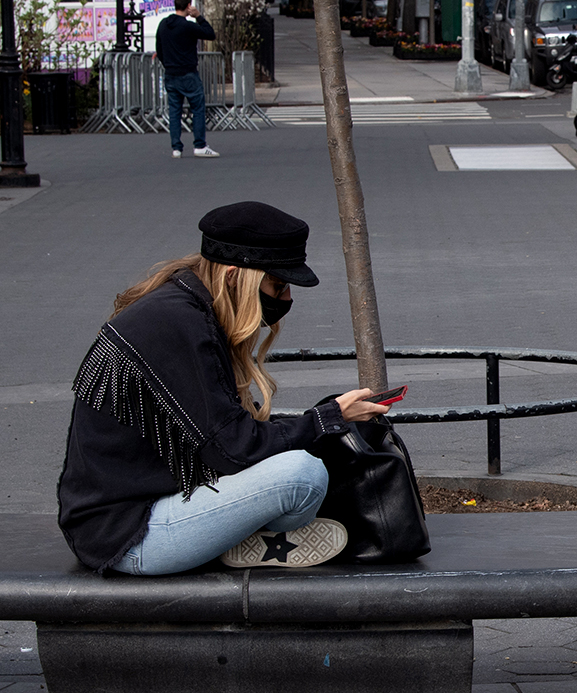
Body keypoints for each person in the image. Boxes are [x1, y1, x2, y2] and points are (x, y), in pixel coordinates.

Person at [58, 202, 391, 575]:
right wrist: (325, 420)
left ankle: (240, 540)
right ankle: (252, 540)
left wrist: (323, 421)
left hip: (140, 513)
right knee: (303, 475)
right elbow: (233, 448)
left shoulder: (185, 305)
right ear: (235, 276)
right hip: (130, 537)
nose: (286, 300)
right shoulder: (179, 323)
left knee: (308, 460)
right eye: (278, 285)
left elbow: (222, 432)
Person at [156, 0, 219, 158]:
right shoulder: (187, 26)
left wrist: (167, 63)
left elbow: (160, 49)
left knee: (175, 111)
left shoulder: (163, 25)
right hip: (188, 72)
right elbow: (210, 34)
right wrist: (198, 17)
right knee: (197, 108)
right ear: (188, 6)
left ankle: (176, 148)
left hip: (170, 73)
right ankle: (199, 145)